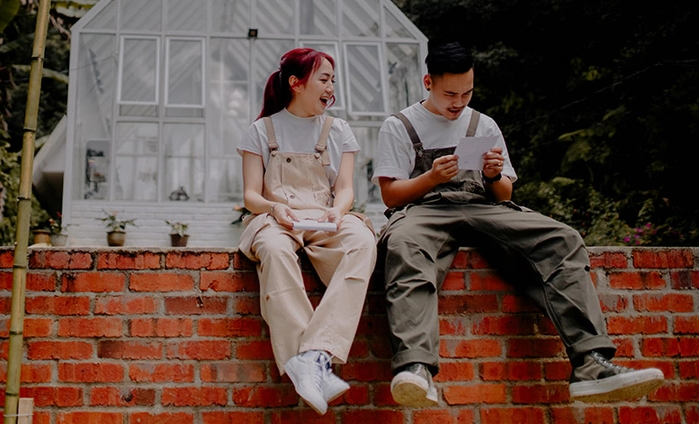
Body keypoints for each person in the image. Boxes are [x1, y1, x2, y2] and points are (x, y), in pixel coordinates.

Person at [373, 41, 664, 407]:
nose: (459, 102)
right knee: (404, 244)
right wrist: (431, 178)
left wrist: (494, 175)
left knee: (563, 238)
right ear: (428, 82)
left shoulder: (483, 124)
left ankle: (591, 362)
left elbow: (503, 194)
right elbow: (391, 196)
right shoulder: (398, 125)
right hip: (424, 209)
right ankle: (416, 368)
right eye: (450, 93)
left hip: (482, 206)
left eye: (467, 92)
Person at [238, 47, 377, 415]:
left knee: (363, 241)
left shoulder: (339, 130)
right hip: (277, 217)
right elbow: (251, 195)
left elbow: (346, 188)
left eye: (333, 80)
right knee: (274, 249)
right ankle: (309, 361)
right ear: (297, 84)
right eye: (324, 79)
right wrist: (274, 207)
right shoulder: (262, 129)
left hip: (325, 216)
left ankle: (314, 353)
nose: (331, 87)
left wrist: (337, 211)